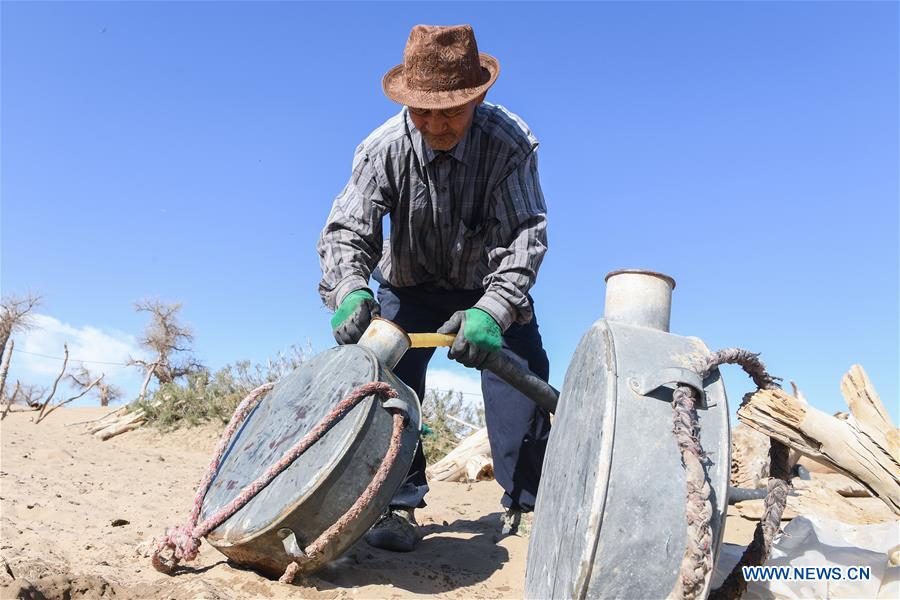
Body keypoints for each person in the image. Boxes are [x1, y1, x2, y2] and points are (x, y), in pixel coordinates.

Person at [317, 24, 551, 553]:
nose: (437, 124)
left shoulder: (510, 144)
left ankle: (529, 505)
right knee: (383, 388)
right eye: (424, 112)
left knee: (523, 384)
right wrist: (350, 290)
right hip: (408, 287)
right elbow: (346, 231)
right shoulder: (381, 149)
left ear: (478, 97)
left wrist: (493, 311)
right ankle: (395, 506)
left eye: (451, 111)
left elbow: (526, 234)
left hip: (488, 290)